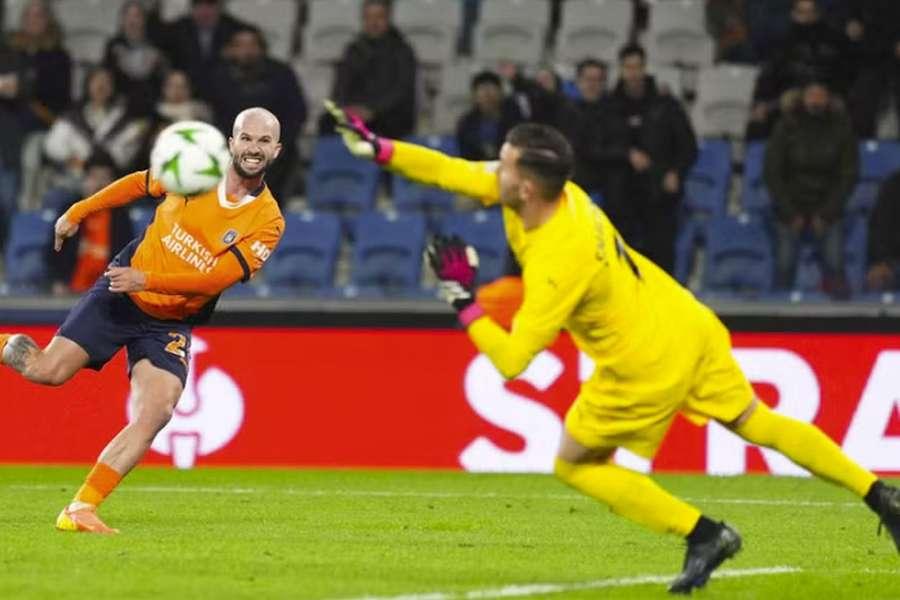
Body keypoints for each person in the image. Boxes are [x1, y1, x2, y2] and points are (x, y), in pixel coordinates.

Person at [325, 101, 900, 594]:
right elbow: (450, 170)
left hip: (641, 361)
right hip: (682, 318)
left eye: (501, 162)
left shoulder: (556, 262)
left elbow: (512, 362)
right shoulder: (555, 192)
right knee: (755, 419)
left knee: (575, 463)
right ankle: (879, 495)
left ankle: (704, 534)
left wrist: (460, 298)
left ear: (523, 185)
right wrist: (379, 148)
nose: (492, 169)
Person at [0, 107, 285, 534]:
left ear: (276, 150)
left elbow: (211, 280)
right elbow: (139, 183)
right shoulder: (196, 172)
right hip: (121, 292)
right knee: (47, 371)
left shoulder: (268, 221)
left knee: (158, 410)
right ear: (231, 142)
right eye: (247, 138)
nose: (253, 149)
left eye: (264, 142)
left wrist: (147, 278)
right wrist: (78, 211)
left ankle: (80, 509)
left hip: (169, 318)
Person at [601, 44, 697, 275]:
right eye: (628, 67)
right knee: (623, 264)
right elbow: (595, 146)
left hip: (659, 194)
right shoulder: (608, 107)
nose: (633, 73)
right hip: (621, 198)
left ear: (645, 68)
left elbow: (687, 145)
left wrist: (676, 173)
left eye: (638, 67)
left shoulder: (665, 104)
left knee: (661, 261)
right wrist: (625, 153)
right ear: (621, 69)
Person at [763, 80, 857, 295]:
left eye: (820, 95)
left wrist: (826, 213)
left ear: (829, 98)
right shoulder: (786, 127)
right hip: (790, 208)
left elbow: (848, 175)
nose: (816, 100)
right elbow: (773, 173)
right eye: (811, 95)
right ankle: (778, 319)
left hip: (828, 209)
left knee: (834, 264)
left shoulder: (842, 128)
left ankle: (840, 320)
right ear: (802, 97)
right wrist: (790, 212)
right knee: (784, 265)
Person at [209, 25, 306, 200]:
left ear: (261, 48)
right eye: (240, 45)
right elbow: (217, 118)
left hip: (276, 150)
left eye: (251, 45)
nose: (246, 51)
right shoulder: (219, 78)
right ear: (231, 50)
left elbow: (297, 114)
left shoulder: (281, 74)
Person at [324, 0, 416, 139]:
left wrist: (372, 111)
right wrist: (345, 108)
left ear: (388, 18)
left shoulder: (402, 51)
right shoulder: (353, 50)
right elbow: (340, 86)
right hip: (355, 112)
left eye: (379, 17)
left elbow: (402, 91)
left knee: (388, 125)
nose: (374, 23)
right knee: (326, 122)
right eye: (369, 17)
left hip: (388, 115)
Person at [43, 66, 150, 183]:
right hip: (75, 177)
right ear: (88, 85)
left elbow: (125, 155)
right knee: (55, 197)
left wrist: (101, 165)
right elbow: (52, 146)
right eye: (96, 81)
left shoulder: (125, 120)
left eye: (106, 82)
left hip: (112, 180)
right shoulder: (72, 117)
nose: (101, 86)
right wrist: (75, 161)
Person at [162, 0, 249, 102]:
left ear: (219, 7)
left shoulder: (237, 31)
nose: (204, 12)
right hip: (186, 94)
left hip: (227, 94)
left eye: (209, 6)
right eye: (199, 6)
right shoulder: (174, 31)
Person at [103, 0, 168, 117]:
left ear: (144, 20)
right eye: (128, 15)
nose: (132, 20)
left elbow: (162, 77)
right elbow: (107, 76)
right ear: (122, 20)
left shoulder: (156, 45)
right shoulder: (113, 45)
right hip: (120, 104)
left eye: (137, 16)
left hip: (151, 103)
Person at [456, 70, 523, 161]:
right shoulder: (466, 123)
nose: (487, 97)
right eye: (483, 92)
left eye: (491, 91)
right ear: (475, 97)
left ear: (500, 94)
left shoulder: (514, 121)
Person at [866, 169, 900, 292]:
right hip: (894, 259)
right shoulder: (893, 185)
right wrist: (882, 261)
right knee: (880, 275)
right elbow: (880, 227)